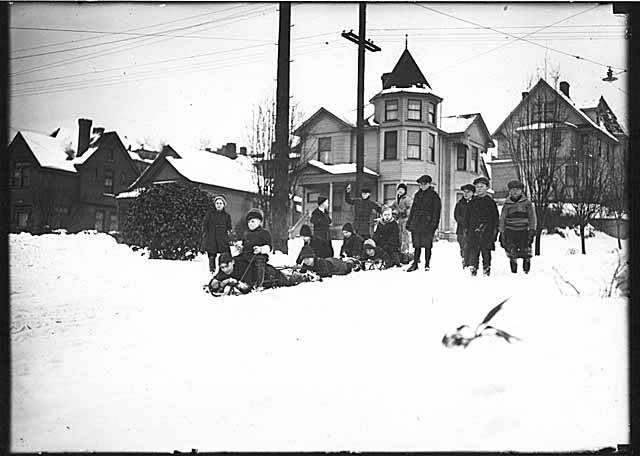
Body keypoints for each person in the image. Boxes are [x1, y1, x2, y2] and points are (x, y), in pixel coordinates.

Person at [499, 179, 537, 274]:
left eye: (517, 189)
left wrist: (532, 229)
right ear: (509, 191)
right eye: (512, 190)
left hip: (524, 230)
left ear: (521, 191)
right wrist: (502, 231)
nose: (515, 192)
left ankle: (526, 266)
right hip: (510, 230)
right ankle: (513, 265)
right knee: (511, 249)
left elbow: (532, 217)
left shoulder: (527, 203)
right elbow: (502, 218)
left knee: (525, 249)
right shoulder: (507, 204)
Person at [406, 174, 441, 272]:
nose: (422, 186)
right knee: (416, 244)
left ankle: (427, 264)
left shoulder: (434, 196)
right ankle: (415, 263)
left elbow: (436, 212)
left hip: (428, 224)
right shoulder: (417, 195)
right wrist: (409, 222)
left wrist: (434, 225)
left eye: (424, 184)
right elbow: (413, 210)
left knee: (427, 245)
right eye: (420, 184)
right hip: (416, 223)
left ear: (429, 184)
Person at [466, 176, 499, 276]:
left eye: (481, 186)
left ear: (486, 188)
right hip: (474, 231)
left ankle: (486, 268)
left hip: (487, 231)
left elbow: (495, 218)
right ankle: (473, 268)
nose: (479, 189)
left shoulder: (490, 202)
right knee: (474, 251)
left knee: (486, 251)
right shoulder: (472, 202)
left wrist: (494, 231)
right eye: (477, 187)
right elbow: (467, 217)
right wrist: (468, 229)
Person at [235, 208, 272, 290]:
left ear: (259, 222)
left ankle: (259, 284)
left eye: (253, 221)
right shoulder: (247, 233)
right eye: (248, 222)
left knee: (259, 264)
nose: (250, 224)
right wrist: (240, 246)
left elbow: (269, 247)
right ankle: (235, 279)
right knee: (235, 260)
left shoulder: (264, 233)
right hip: (246, 254)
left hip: (258, 256)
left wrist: (261, 249)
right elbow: (244, 243)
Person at [201, 195, 232, 274]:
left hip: (222, 238)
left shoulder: (226, 216)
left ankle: (222, 269)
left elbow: (229, 226)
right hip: (212, 237)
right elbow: (205, 224)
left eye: (220, 203)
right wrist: (206, 234)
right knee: (211, 254)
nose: (218, 205)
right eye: (217, 203)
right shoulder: (210, 214)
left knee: (224, 254)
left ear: (223, 205)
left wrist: (228, 233)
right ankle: (212, 270)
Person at [454, 184, 476, 269]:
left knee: (471, 245)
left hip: (472, 229)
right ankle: (465, 260)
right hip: (461, 229)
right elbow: (456, 215)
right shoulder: (460, 203)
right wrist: (464, 222)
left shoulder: (476, 203)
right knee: (463, 245)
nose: (466, 194)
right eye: (464, 192)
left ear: (473, 193)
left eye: (468, 192)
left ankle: (471, 262)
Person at [390, 183, 413, 256]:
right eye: (399, 189)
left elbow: (409, 208)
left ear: (405, 190)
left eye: (402, 189)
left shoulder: (407, 199)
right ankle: (399, 249)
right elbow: (392, 206)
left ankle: (405, 249)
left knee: (405, 234)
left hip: (405, 219)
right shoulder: (396, 199)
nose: (400, 191)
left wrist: (404, 213)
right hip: (399, 219)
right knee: (399, 234)